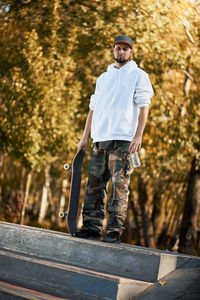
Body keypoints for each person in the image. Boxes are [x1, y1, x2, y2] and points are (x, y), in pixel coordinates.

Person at [75, 35, 154, 243]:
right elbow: (92, 108)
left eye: (125, 49)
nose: (121, 52)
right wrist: (84, 138)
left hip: (124, 140)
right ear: (113, 50)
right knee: (95, 185)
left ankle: (114, 230)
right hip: (100, 138)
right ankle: (92, 226)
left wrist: (138, 134)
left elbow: (144, 106)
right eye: (118, 48)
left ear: (131, 53)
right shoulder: (103, 78)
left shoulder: (139, 75)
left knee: (120, 185)